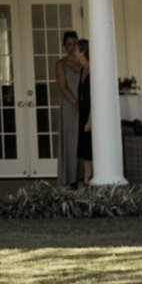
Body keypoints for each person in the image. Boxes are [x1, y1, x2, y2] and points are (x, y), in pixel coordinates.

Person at [53, 29, 90, 188]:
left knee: (84, 142)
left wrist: (84, 107)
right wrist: (76, 104)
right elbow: (62, 87)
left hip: (85, 106)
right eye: (69, 44)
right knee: (70, 142)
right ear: (64, 46)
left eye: (75, 44)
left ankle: (86, 177)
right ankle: (70, 179)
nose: (72, 47)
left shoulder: (85, 63)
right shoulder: (61, 63)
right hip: (70, 106)